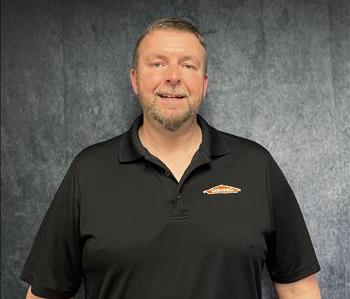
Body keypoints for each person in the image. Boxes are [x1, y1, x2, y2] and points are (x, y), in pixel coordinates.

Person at [21, 17, 322, 299]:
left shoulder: (256, 166)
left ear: (204, 84)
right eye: (157, 63)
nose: (173, 77)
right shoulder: (88, 172)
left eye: (188, 66)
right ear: (135, 80)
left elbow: (299, 291)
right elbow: (45, 294)